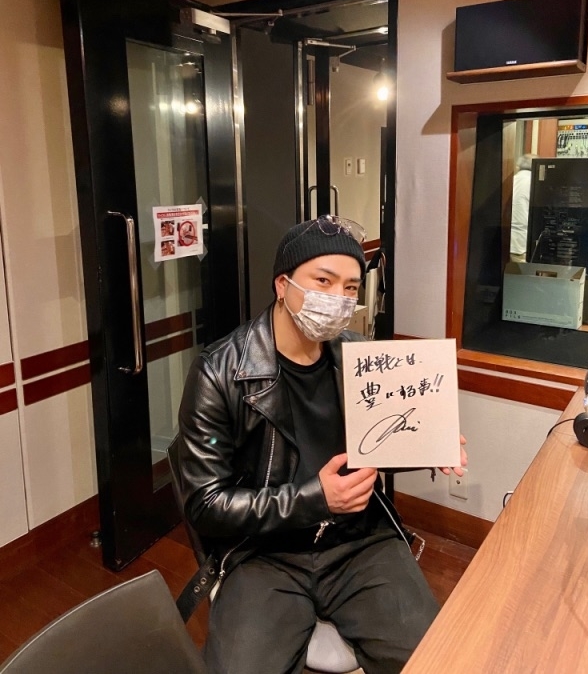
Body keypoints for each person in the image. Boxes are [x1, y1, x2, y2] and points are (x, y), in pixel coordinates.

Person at [177, 215, 467, 674]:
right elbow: (206, 505)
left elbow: (379, 440)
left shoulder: (359, 357)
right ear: (283, 284)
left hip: (359, 542)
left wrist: (429, 443)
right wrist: (315, 499)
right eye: (323, 281)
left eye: (351, 287)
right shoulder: (219, 372)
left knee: (436, 662)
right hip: (264, 552)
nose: (339, 299)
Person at [510, 154, 535, 262]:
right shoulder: (535, 183)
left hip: (507, 240)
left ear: (518, 167)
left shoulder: (511, 180)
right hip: (522, 243)